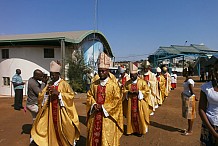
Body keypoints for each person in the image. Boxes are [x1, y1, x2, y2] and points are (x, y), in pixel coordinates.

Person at [31, 61, 80, 146]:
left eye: (53, 74)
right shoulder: (49, 84)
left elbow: (71, 96)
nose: (52, 76)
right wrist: (46, 93)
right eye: (51, 74)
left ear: (58, 74)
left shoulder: (64, 84)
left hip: (61, 113)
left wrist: (59, 94)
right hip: (50, 113)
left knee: (66, 130)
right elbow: (41, 95)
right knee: (49, 129)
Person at [86, 52, 123, 146]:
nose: (101, 73)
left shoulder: (114, 86)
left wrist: (103, 107)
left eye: (103, 71)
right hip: (95, 116)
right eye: (100, 71)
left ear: (108, 71)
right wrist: (94, 104)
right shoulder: (94, 84)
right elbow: (89, 95)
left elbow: (117, 102)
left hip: (107, 118)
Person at [123, 62, 150, 137]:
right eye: (131, 75)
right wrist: (128, 92)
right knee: (131, 116)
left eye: (133, 75)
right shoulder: (127, 83)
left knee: (139, 116)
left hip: (139, 103)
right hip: (130, 103)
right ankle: (130, 130)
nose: (131, 77)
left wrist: (139, 92)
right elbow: (123, 91)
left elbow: (147, 91)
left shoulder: (142, 82)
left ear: (137, 74)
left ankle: (139, 130)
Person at [199, 60, 218, 145]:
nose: (217, 72)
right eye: (216, 69)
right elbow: (201, 109)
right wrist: (213, 132)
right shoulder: (206, 87)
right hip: (210, 125)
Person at [181, 71, 198, 136]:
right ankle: (188, 128)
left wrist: (195, 96)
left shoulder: (190, 81)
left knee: (190, 114)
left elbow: (192, 91)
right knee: (188, 114)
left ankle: (190, 130)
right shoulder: (187, 80)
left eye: (184, 72)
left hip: (189, 98)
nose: (183, 73)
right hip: (186, 97)